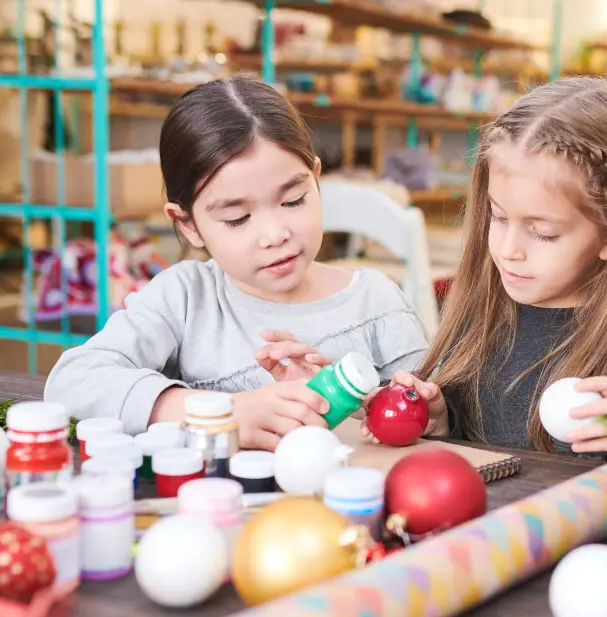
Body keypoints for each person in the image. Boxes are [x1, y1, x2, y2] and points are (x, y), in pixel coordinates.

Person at [45, 77, 429, 450]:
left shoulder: (377, 304)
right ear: (189, 225)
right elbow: (72, 381)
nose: (274, 234)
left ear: (315, 179)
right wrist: (218, 413)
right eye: (237, 219)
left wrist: (407, 409)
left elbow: (444, 415)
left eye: (293, 200)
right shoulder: (183, 298)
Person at [368, 77, 607, 472]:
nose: (508, 250)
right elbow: (473, 434)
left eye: (543, 233)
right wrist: (442, 420)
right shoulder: (484, 308)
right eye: (498, 217)